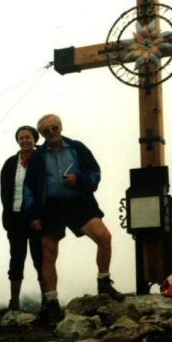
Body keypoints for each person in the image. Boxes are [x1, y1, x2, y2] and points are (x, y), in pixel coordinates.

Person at [23, 114, 124, 323]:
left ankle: (104, 283)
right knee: (48, 252)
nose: (51, 132)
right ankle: (52, 304)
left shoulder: (77, 147)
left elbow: (95, 173)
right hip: (50, 207)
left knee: (104, 236)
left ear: (60, 127)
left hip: (78, 202)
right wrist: (33, 214)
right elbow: (29, 187)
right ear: (41, 135)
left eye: (54, 128)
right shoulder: (38, 156)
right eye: (46, 130)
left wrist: (79, 180)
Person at [0, 125, 44, 311]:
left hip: (37, 219)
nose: (24, 140)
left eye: (28, 137)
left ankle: (47, 300)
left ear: (35, 139)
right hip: (15, 218)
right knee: (16, 259)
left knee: (40, 258)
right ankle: (14, 302)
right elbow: (5, 192)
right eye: (21, 138)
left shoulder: (42, 160)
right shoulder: (10, 163)